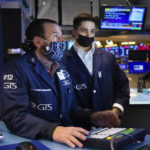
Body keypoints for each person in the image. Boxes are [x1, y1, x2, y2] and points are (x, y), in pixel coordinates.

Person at [2, 19, 120, 148]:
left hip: (64, 139)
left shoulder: (61, 68)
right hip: (37, 141)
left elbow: (70, 109)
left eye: (61, 35)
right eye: (55, 36)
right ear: (38, 41)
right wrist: (51, 130)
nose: (61, 40)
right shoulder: (16, 68)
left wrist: (91, 116)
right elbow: (14, 116)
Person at [62, 13, 130, 123]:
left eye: (92, 31)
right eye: (84, 30)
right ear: (74, 31)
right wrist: (90, 116)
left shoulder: (108, 58)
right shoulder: (62, 62)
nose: (89, 35)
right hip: (78, 127)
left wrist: (115, 111)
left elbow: (123, 87)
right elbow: (64, 99)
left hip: (109, 125)